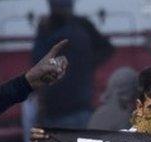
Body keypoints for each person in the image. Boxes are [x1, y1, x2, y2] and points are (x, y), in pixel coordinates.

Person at [31, 0, 113, 130]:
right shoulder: (82, 25)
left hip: (57, 109)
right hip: (78, 107)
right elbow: (107, 49)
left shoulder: (47, 28)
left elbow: (36, 62)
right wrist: (88, 63)